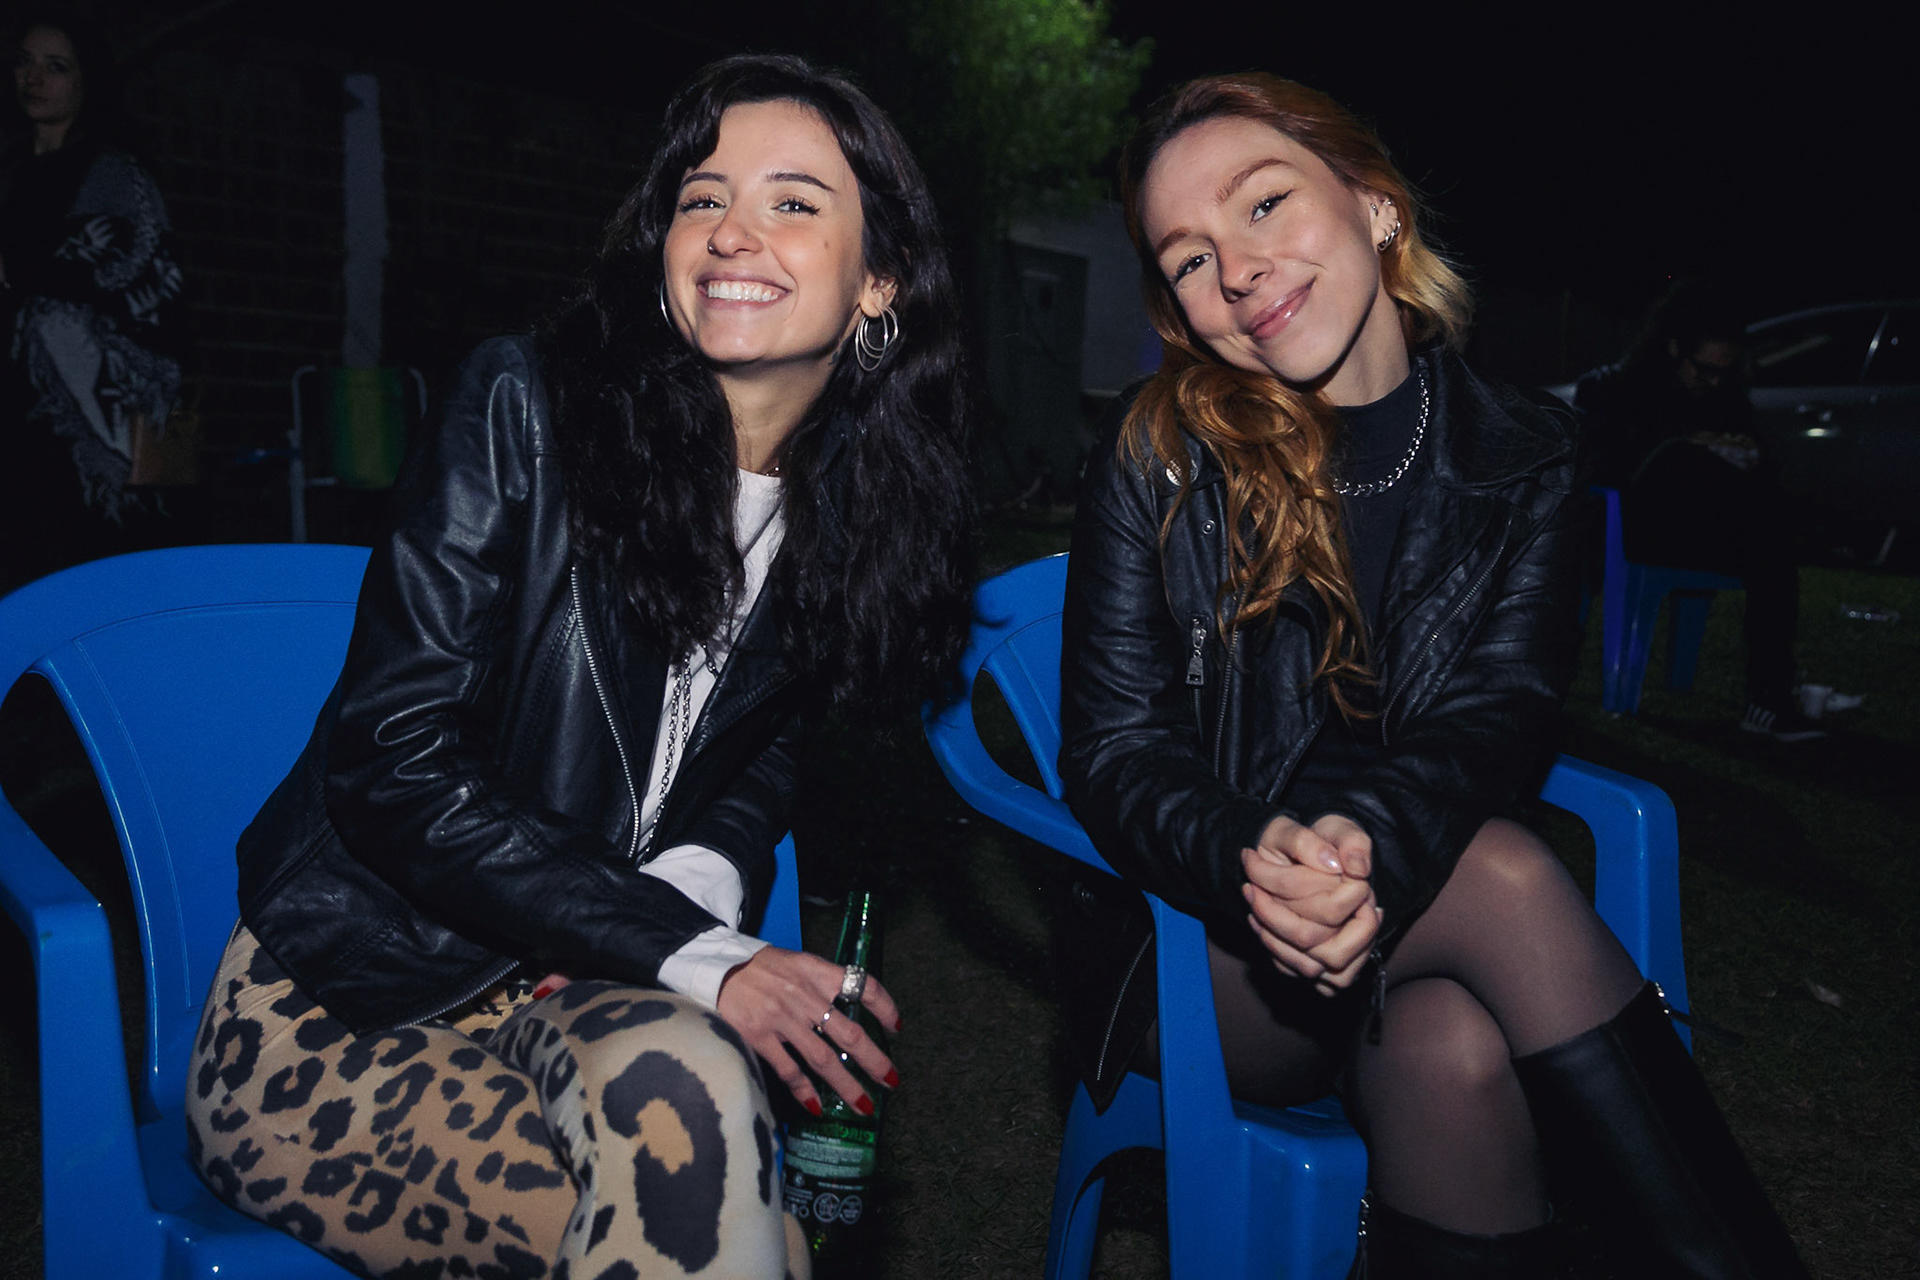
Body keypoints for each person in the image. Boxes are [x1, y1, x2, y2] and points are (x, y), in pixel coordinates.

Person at [183, 54, 974, 1280]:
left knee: (701, 1113)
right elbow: (394, 763)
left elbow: (751, 766)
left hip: (572, 977)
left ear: (881, 280)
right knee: (737, 1228)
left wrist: (667, 905)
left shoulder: (843, 521)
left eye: (793, 201)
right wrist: (695, 951)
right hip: (346, 1005)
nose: (732, 232)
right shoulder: (528, 411)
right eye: (702, 197)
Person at [1058, 73, 1808, 1277]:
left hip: (1412, 902)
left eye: (1263, 203)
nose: (1237, 269)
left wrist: (1369, 846)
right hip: (1206, 947)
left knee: (1454, 1050)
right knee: (1506, 870)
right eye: (1188, 258)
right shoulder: (1163, 452)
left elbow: (1498, 713)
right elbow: (1114, 752)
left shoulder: (1527, 452)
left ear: (1376, 206)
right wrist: (1260, 853)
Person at [1575, 279, 1823, 741]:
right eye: (1704, 371)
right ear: (1674, 349)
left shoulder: (1726, 400)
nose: (1713, 383)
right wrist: (1686, 444)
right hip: (1639, 528)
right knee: (1689, 461)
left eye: (1722, 374)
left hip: (1717, 529)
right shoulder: (1616, 390)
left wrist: (1748, 454)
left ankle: (1767, 699)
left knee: (1771, 544)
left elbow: (1755, 473)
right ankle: (1824, 531)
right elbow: (1604, 467)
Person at [1, 8, 187, 594]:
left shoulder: (114, 175)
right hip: (15, 420)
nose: (34, 78)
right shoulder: (10, 171)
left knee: (83, 584)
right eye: (25, 62)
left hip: (92, 428)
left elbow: (143, 290)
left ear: (87, 80)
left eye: (56, 66)